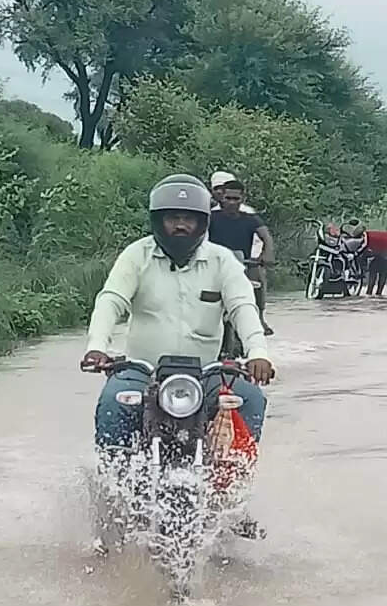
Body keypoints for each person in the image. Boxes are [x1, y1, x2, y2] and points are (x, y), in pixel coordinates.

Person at [81, 174, 276, 455]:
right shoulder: (136, 255)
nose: (181, 225)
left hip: (207, 374)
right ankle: (116, 480)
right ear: (158, 221)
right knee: (114, 402)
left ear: (202, 222)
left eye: (189, 218)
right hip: (142, 372)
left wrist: (258, 353)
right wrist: (97, 347)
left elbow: (243, 307)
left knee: (249, 399)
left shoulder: (222, 261)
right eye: (173, 218)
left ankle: (231, 483)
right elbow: (111, 300)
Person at [209, 179, 276, 335]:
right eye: (228, 198)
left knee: (257, 276)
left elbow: (266, 237)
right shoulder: (210, 217)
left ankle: (259, 317)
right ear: (222, 198)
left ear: (242, 199)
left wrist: (266, 254)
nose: (232, 203)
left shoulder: (250, 219)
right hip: (215, 266)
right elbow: (197, 235)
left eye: (236, 199)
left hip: (241, 266)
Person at [362, 228, 387, 295]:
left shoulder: (365, 239)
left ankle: (371, 292)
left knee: (376, 270)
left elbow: (365, 252)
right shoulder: (367, 236)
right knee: (379, 270)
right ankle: (377, 292)